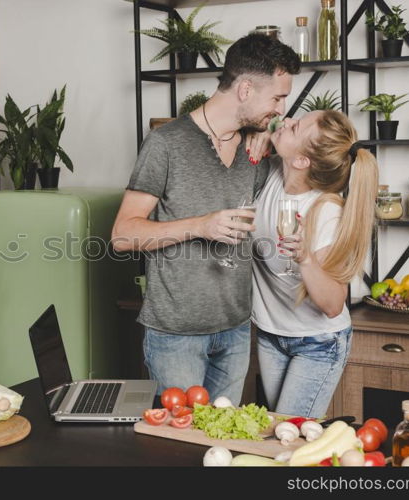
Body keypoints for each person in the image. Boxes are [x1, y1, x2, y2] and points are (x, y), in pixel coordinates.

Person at [111, 34, 300, 405]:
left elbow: (312, 173)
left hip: (235, 329)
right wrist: (200, 226)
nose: (280, 107)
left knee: (221, 447)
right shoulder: (166, 143)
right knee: (182, 452)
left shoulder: (255, 144)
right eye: (277, 98)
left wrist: (275, 133)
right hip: (175, 334)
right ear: (245, 88)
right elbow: (122, 234)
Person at [250, 109, 378, 418]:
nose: (288, 120)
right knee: (278, 432)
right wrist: (261, 134)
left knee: (288, 438)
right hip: (271, 333)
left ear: (302, 161)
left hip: (318, 342)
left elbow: (333, 304)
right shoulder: (273, 176)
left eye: (295, 128)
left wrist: (305, 257)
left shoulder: (325, 212)